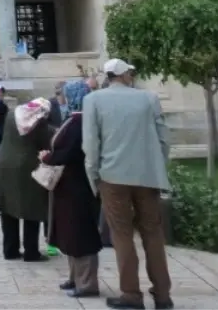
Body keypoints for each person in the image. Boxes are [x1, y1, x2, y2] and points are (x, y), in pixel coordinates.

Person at [82, 58, 172, 310]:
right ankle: (163, 295)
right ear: (123, 75)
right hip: (147, 176)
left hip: (112, 176)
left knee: (121, 235)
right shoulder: (148, 98)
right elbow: (163, 138)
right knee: (153, 233)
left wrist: (93, 177)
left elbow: (91, 144)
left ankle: (131, 294)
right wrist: (157, 167)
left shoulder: (94, 100)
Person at [42, 81, 102, 298]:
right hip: (70, 186)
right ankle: (75, 277)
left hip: (78, 185)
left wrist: (47, 157)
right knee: (70, 231)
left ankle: (87, 283)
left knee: (80, 232)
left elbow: (67, 152)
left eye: (64, 94)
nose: (61, 97)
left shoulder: (79, 122)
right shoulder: (75, 119)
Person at [0, 96, 52, 261]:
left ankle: (10, 250)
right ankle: (31, 252)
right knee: (31, 208)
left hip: (3, 163)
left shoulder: (13, 114)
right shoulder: (38, 121)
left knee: (8, 209)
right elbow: (45, 143)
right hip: (26, 166)